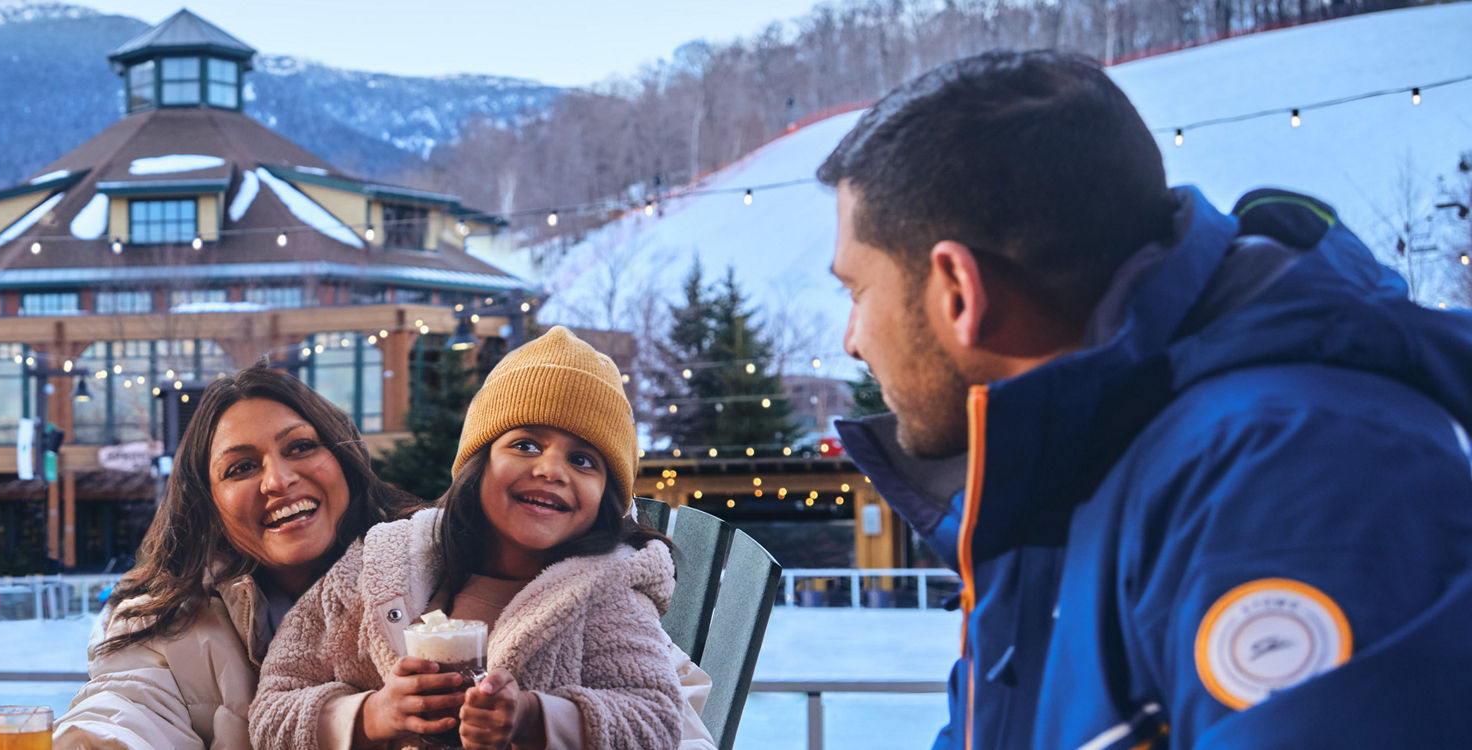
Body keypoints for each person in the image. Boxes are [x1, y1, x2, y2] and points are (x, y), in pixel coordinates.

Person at [818, 49, 1472, 748]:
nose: (853, 339)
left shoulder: (1299, 476)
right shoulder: (1065, 480)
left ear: (957, 290)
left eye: (856, 290)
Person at [251, 328, 714, 750]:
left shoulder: (606, 596)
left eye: (584, 460)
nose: (551, 469)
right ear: (477, 464)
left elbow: (656, 724)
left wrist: (534, 718)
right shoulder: (373, 571)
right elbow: (272, 710)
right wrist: (373, 715)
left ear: (606, 498)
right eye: (526, 444)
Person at [56, 366, 426, 749]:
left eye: (300, 447)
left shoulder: (434, 566)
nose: (278, 481)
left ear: (344, 461)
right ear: (209, 505)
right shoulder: (163, 625)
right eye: (242, 467)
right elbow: (125, 712)